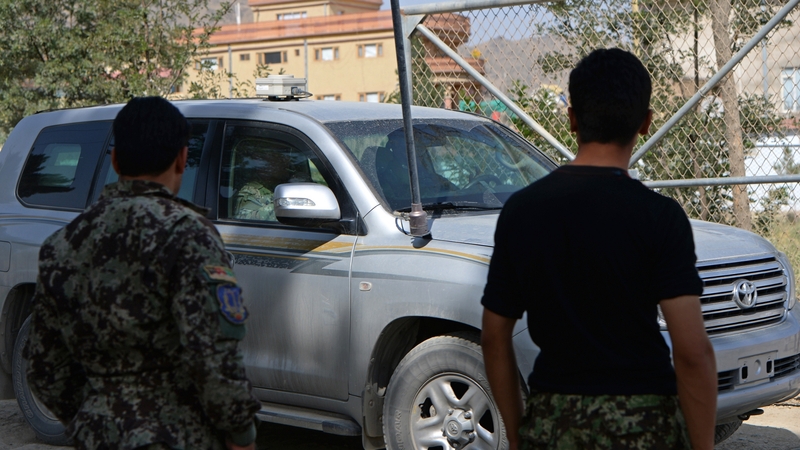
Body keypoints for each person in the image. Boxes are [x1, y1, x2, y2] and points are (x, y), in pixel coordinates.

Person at [481, 48, 717, 450]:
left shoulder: (521, 211)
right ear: (645, 122)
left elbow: (493, 337)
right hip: (645, 426)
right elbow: (692, 353)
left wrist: (522, 436)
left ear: (572, 119)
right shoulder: (659, 217)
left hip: (554, 424)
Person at [24, 97, 261, 450]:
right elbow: (212, 356)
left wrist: (96, 415)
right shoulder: (188, 234)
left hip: (96, 436)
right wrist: (242, 435)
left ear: (115, 160)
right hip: (178, 437)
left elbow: (43, 368)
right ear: (183, 158)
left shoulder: (63, 243)